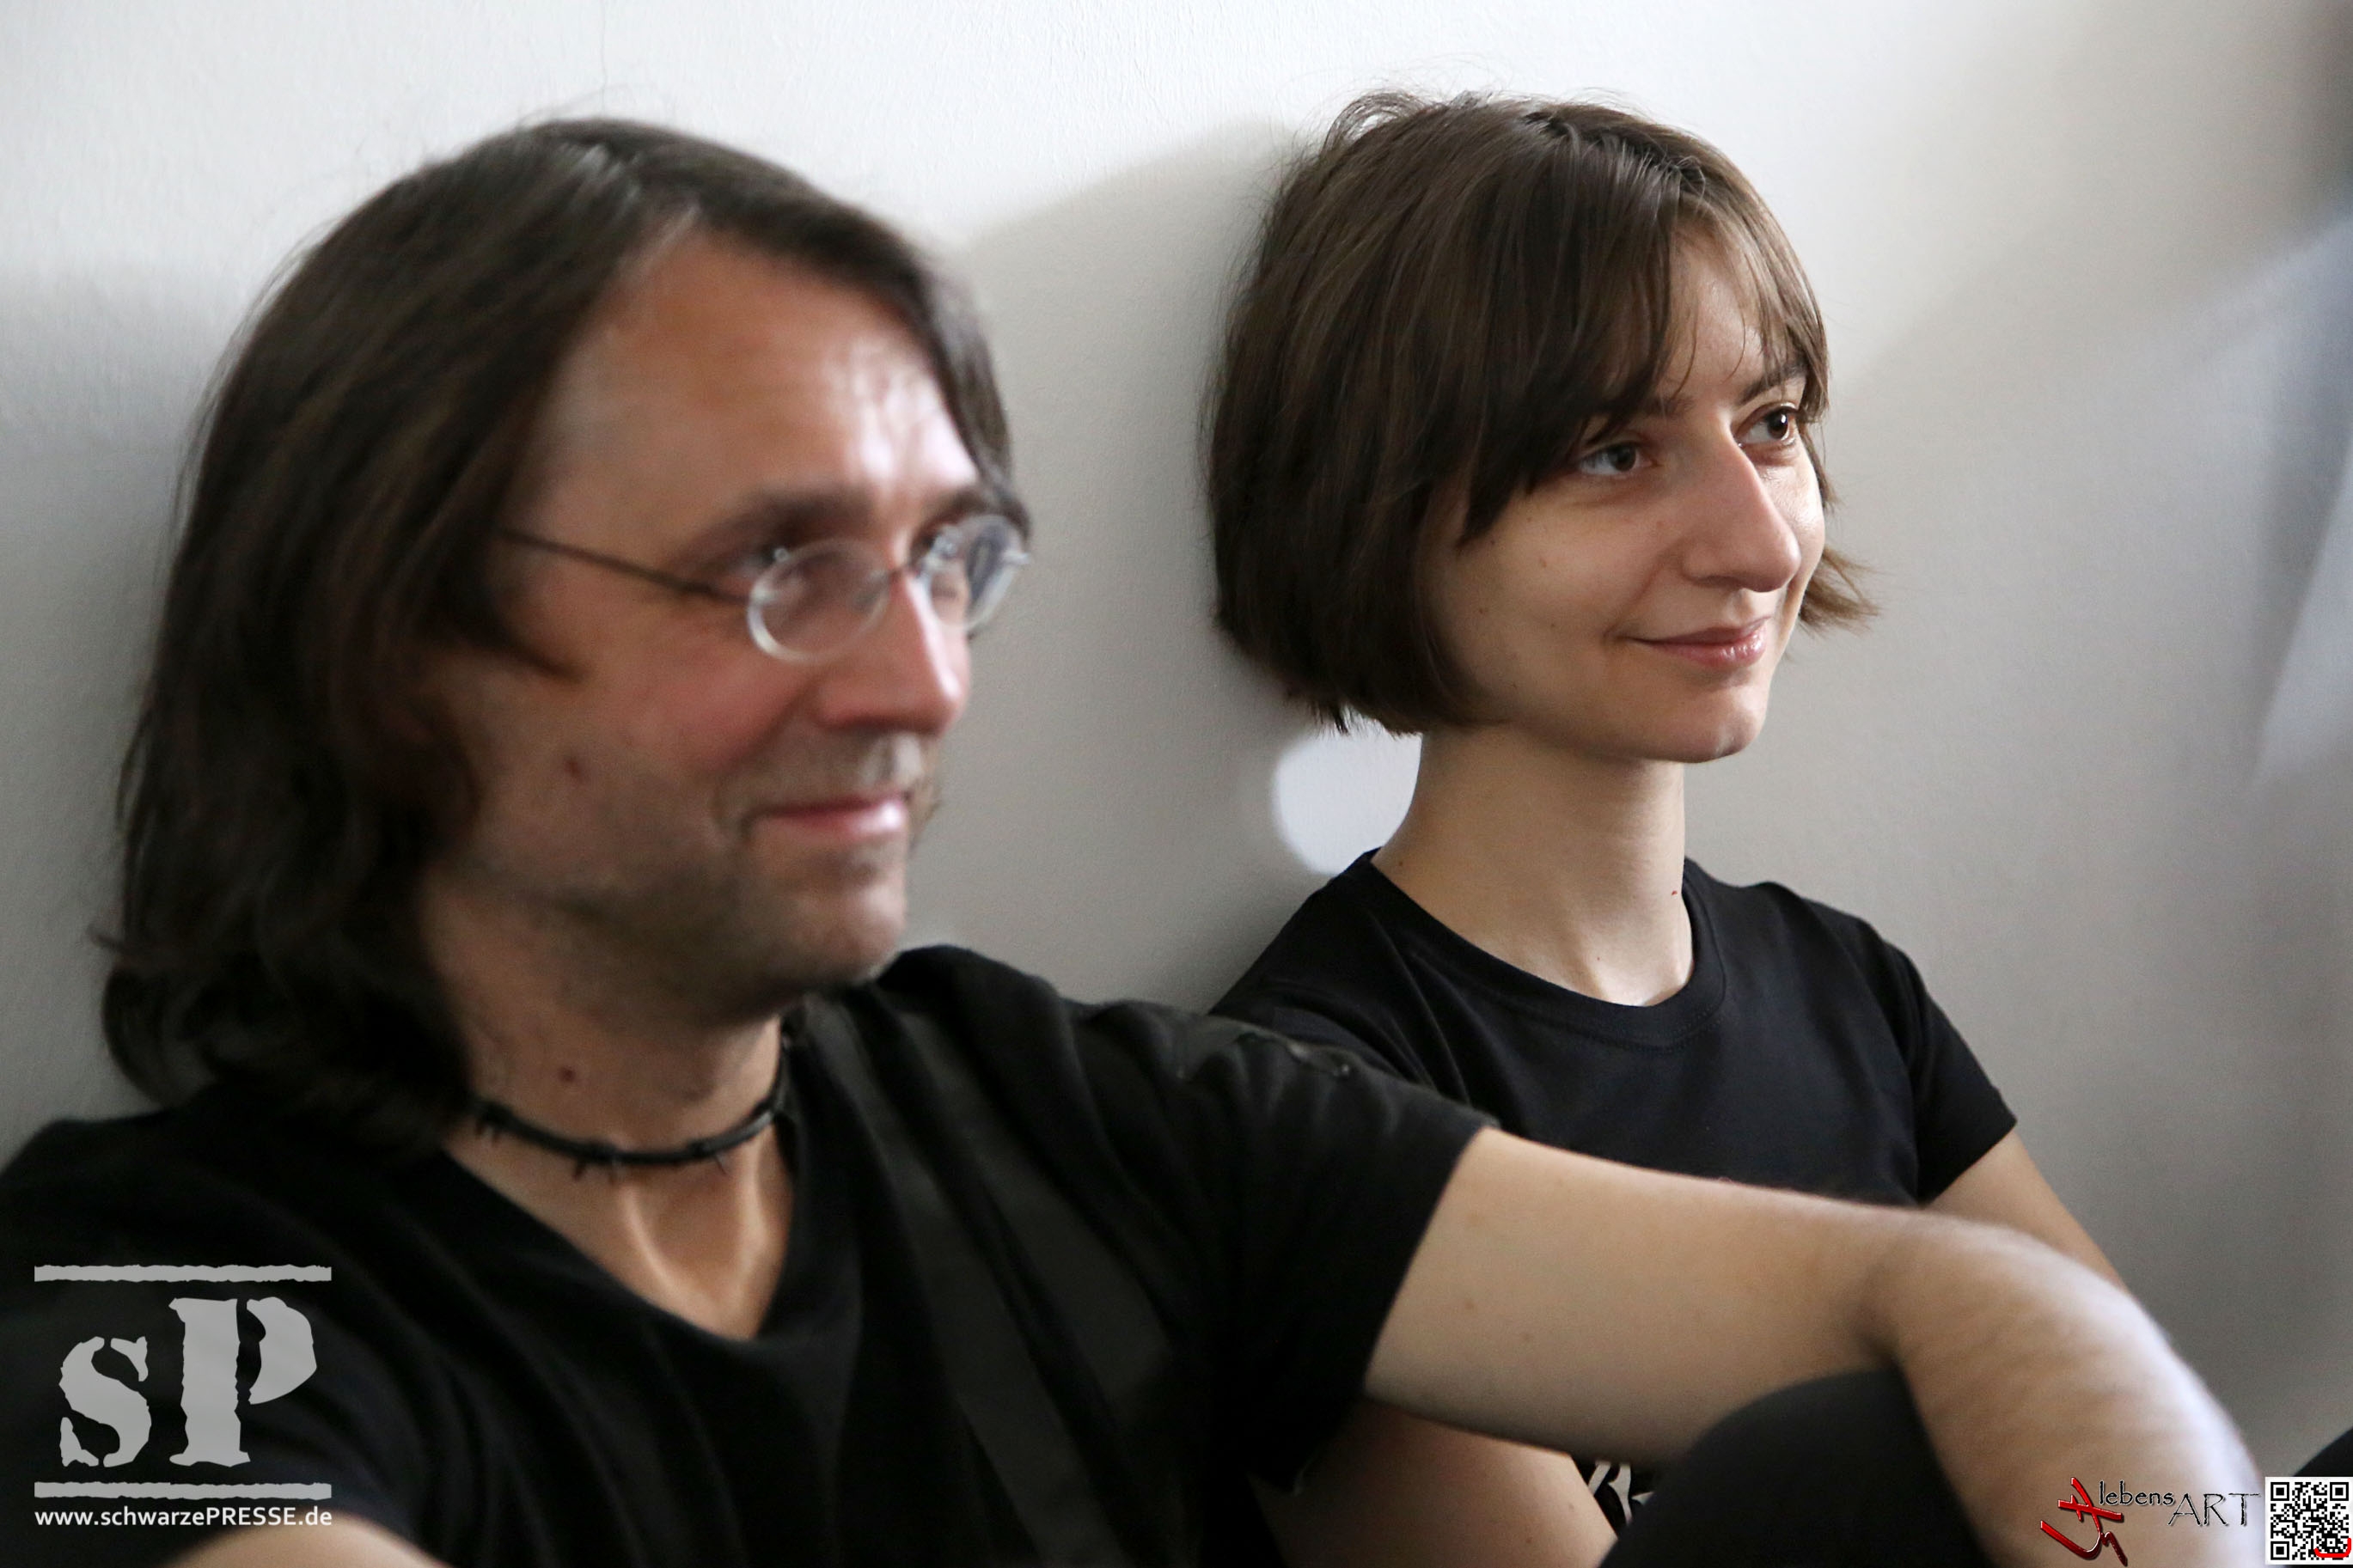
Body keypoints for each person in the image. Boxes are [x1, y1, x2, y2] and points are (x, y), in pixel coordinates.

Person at [0, 119, 2247, 1568]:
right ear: (394, 641)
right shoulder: (152, 1296)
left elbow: (1963, 1301)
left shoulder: (1058, 1105)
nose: (917, 679)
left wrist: (2204, 1538)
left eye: (946, 563)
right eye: (778, 569)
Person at [1207, 92, 2121, 1557]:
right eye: (1612, 453)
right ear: (1377, 510)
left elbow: (2166, 1498)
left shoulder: (1847, 989)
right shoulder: (1309, 1117)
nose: (1759, 541)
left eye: (1770, 424)